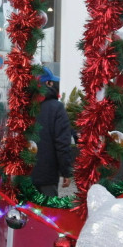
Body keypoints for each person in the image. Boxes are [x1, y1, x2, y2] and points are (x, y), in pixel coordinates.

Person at [30, 68, 73, 197]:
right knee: (48, 214)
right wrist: (66, 171)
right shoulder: (56, 108)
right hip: (47, 176)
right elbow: (62, 143)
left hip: (24, 175)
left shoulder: (23, 107)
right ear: (48, 84)